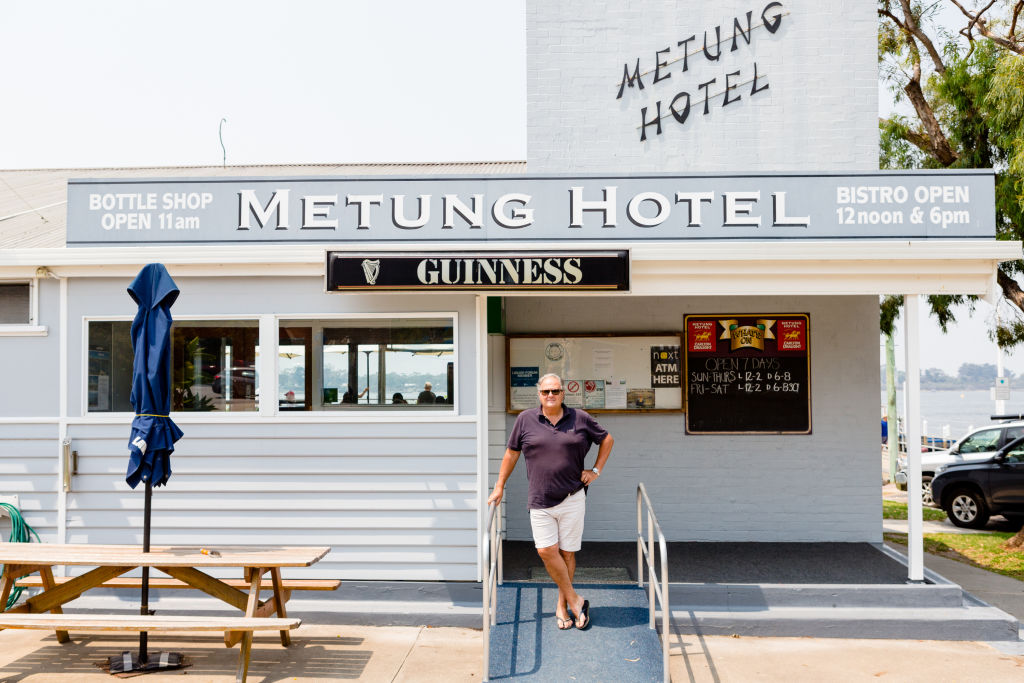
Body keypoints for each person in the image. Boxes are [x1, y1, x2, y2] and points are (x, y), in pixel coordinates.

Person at [487, 373, 613, 631]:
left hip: (572, 497)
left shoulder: (580, 418)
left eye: (555, 391)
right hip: (540, 499)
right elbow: (511, 454)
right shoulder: (525, 420)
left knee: (567, 553)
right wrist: (499, 485)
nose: (550, 396)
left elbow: (607, 440)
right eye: (546, 392)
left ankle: (562, 605)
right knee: (546, 551)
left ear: (563, 393)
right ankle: (576, 599)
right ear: (539, 394)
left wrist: (596, 471)